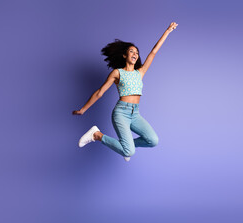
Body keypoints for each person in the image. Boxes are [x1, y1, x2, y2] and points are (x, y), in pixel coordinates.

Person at [72, 22, 178, 162]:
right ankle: (97, 134)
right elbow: (100, 92)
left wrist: (167, 31)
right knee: (129, 151)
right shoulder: (117, 73)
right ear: (124, 55)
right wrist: (83, 109)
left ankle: (126, 148)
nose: (135, 54)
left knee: (153, 140)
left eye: (137, 52)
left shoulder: (140, 72)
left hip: (135, 114)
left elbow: (153, 52)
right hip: (121, 113)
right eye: (131, 51)